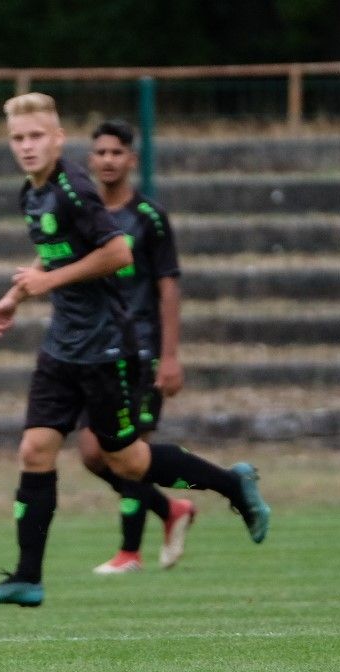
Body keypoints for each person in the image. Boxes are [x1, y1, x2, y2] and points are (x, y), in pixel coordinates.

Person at [0, 93, 271, 608]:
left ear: (59, 139)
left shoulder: (74, 189)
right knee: (35, 450)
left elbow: (116, 252)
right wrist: (15, 296)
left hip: (107, 348)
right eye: (18, 138)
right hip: (62, 346)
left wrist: (48, 283)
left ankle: (231, 484)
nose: (27, 146)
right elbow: (52, 256)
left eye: (36, 136)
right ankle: (26, 576)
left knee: (127, 462)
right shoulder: (31, 194)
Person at [81, 119, 196, 574]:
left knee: (128, 449)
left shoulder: (149, 216)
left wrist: (169, 356)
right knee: (94, 452)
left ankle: (130, 551)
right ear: (91, 159)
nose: (108, 160)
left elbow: (168, 287)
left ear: (131, 160)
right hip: (94, 349)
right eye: (101, 152)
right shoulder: (86, 213)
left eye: (116, 152)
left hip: (139, 350)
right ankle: (170, 510)